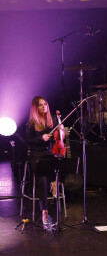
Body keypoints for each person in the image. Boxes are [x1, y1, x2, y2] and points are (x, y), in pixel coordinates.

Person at [25, 96, 63, 226]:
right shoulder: (31, 123)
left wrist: (61, 130)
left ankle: (55, 183)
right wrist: (41, 138)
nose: (43, 107)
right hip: (36, 156)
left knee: (60, 163)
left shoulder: (51, 120)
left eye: (45, 104)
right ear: (35, 108)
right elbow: (28, 141)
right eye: (40, 105)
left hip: (48, 154)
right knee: (42, 180)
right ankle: (44, 211)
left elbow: (58, 139)